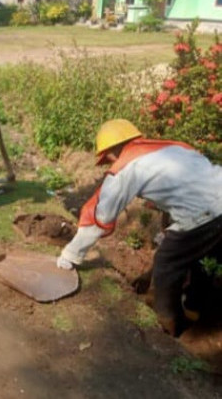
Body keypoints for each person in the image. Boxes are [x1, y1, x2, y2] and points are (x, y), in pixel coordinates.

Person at [57, 119, 222, 336]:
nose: (109, 164)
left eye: (107, 160)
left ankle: (170, 326)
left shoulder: (127, 168)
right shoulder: (173, 148)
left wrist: (70, 255)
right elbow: (186, 190)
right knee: (201, 257)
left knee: (167, 264)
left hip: (205, 214)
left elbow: (99, 217)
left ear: (112, 152)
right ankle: (194, 310)